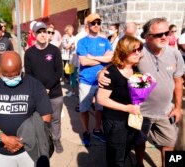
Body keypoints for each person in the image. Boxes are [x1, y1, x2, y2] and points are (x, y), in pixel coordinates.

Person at [98, 18, 184, 167]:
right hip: (140, 111)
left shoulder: (175, 54)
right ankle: (139, 164)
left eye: (167, 33)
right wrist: (102, 72)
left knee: (170, 142)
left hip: (166, 111)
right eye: (159, 34)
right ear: (148, 36)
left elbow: (178, 82)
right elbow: (118, 61)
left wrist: (177, 107)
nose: (164, 37)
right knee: (138, 141)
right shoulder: (139, 50)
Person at [0, 51, 52, 167]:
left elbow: (46, 115)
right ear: (0, 70)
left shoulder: (35, 85)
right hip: (2, 150)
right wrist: (4, 138)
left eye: (14, 75)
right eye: (6, 75)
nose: (10, 79)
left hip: (29, 150)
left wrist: (26, 139)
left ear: (21, 68)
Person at [97, 36, 142, 167]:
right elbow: (101, 99)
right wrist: (126, 108)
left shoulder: (135, 69)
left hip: (131, 119)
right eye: (135, 50)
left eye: (140, 49)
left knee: (125, 151)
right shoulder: (111, 72)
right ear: (124, 51)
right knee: (116, 158)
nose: (138, 52)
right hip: (115, 121)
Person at [24, 22, 64, 153]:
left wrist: (48, 87)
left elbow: (59, 71)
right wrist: (41, 89)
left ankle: (56, 139)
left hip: (55, 93)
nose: (42, 34)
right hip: (37, 94)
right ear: (34, 34)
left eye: (44, 31)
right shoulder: (29, 53)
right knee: (41, 121)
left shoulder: (54, 50)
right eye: (39, 32)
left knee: (56, 119)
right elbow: (28, 75)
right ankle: (44, 141)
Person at [76, 13, 113, 147]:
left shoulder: (105, 41)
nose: (96, 25)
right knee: (84, 109)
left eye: (98, 23)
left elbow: (111, 59)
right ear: (88, 25)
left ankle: (97, 129)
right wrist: (101, 58)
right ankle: (86, 131)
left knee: (100, 108)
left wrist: (93, 57)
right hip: (86, 81)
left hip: (102, 81)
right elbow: (84, 61)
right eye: (93, 23)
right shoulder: (82, 42)